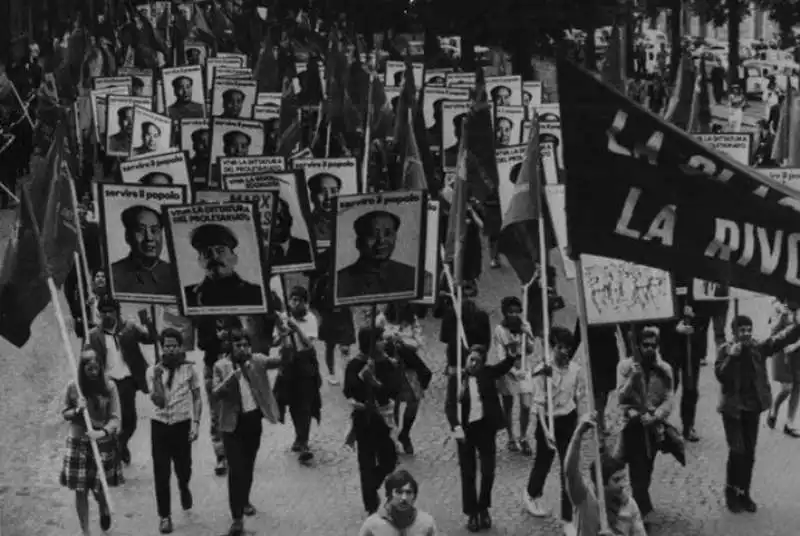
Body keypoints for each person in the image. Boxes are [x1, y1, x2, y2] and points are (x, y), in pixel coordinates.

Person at [716, 315, 800, 513]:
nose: (745, 333)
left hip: (752, 407)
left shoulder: (758, 347)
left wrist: (797, 326)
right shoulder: (725, 350)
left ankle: (744, 493)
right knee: (737, 451)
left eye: (748, 329)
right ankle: (731, 492)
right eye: (741, 330)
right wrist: (731, 357)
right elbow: (721, 375)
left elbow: (779, 340)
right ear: (734, 332)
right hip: (733, 409)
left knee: (750, 453)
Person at [212, 327, 283, 535]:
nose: (243, 349)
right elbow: (215, 393)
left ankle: (244, 500)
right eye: (238, 345)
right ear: (231, 347)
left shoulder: (257, 361)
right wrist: (231, 378)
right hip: (232, 425)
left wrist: (287, 335)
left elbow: (282, 360)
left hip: (252, 421)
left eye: (245, 345)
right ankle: (236, 518)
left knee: (249, 465)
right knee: (236, 470)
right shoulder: (221, 366)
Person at [445, 344, 517, 532]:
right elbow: (450, 406)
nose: (473, 363)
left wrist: (512, 355)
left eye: (478, 360)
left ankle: (484, 506)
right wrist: (456, 428)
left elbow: (504, 366)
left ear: (483, 363)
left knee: (488, 471)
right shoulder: (457, 379)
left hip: (485, 429)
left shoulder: (487, 373)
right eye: (471, 359)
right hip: (465, 431)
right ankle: (471, 513)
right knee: (468, 473)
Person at [524, 327, 587, 536]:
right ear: (553, 347)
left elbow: (578, 398)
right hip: (548, 422)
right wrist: (545, 429)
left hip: (567, 420)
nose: (565, 352)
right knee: (543, 461)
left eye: (568, 348)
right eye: (560, 347)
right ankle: (532, 493)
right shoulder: (542, 370)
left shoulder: (576, 370)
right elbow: (539, 403)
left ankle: (568, 518)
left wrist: (580, 423)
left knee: (567, 469)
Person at [86, 297, 156, 467]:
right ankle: (112, 452)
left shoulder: (130, 328)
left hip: (127, 381)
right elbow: (87, 361)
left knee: (130, 421)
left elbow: (151, 339)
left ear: (118, 312)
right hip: (107, 383)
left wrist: (147, 322)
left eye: (111, 311)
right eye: (104, 312)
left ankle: (121, 443)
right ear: (99, 314)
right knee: (110, 420)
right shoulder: (94, 336)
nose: (108, 314)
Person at [60, 349, 120, 536]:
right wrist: (78, 409)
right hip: (78, 442)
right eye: (89, 369)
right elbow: (65, 413)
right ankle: (85, 531)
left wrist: (101, 432)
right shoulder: (73, 387)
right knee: (80, 489)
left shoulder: (109, 386)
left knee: (99, 488)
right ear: (82, 369)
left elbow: (115, 418)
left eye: (96, 368)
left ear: (101, 367)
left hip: (100, 442)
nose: (93, 372)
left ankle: (103, 507)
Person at [146, 328, 201, 534]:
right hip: (159, 425)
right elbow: (159, 402)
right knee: (161, 472)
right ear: (162, 347)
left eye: (174, 346)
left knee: (183, 467)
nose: (170, 350)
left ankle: (184, 486)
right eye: (166, 346)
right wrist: (158, 379)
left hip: (181, 424)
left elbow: (197, 396)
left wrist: (196, 424)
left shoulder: (189, 370)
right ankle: (165, 516)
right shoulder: (152, 371)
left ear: (180, 347)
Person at [617, 326, 674, 521]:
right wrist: (632, 379)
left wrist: (657, 415)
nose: (649, 349)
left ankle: (641, 499)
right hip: (633, 426)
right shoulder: (626, 366)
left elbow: (668, 397)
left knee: (647, 468)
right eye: (645, 345)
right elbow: (620, 397)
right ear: (638, 346)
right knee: (636, 469)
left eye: (653, 345)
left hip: (654, 427)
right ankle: (641, 511)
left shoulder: (664, 368)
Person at [344, 326, 402, 515]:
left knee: (389, 459)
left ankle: (372, 484)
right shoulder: (354, 364)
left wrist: (375, 382)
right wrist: (361, 384)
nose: (383, 342)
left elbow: (393, 389)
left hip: (382, 418)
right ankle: (370, 503)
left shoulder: (387, 363)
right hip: (364, 419)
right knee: (365, 461)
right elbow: (349, 391)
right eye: (379, 339)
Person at [564, 413, 647, 536]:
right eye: (617, 480)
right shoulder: (584, 498)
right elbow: (570, 472)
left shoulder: (630, 505)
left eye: (624, 478)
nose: (624, 485)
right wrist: (578, 433)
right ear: (601, 485)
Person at [273, 286, 322, 462]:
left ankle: (304, 441)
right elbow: (275, 341)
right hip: (289, 363)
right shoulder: (284, 318)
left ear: (305, 302)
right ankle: (298, 436)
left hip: (305, 363)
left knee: (306, 404)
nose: (295, 303)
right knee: (292, 403)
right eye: (292, 300)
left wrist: (296, 328)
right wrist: (282, 331)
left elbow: (309, 344)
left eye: (298, 300)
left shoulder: (310, 319)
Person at [380, 303, 432, 455]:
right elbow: (376, 340)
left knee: (414, 401)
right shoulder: (382, 319)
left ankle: (405, 433)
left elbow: (419, 342)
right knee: (392, 403)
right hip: (389, 366)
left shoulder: (412, 320)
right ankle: (393, 437)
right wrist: (389, 338)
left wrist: (403, 342)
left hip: (409, 366)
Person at [337, 210, 423, 299]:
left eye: (388, 234)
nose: (381, 241)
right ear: (358, 242)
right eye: (372, 235)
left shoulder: (412, 276)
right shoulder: (340, 281)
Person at [197, 316, 242, 476]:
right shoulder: (204, 318)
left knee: (238, 410)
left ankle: (236, 451)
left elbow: (242, 336)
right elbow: (201, 344)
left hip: (233, 368)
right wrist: (217, 337)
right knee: (216, 414)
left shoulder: (232, 313)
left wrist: (230, 336)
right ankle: (221, 456)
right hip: (213, 369)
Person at [492, 296, 536, 454]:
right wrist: (513, 372)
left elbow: (531, 350)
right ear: (505, 313)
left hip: (524, 369)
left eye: (517, 312)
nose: (514, 315)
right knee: (508, 406)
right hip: (508, 371)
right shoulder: (500, 330)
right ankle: (511, 438)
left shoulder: (525, 326)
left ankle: (523, 436)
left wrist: (528, 334)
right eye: (511, 312)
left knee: (526, 405)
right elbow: (501, 355)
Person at [184, 223, 265, 308]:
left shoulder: (256, 294)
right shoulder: (187, 295)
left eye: (220, 251)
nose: (214, 256)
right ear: (200, 261)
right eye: (206, 252)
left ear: (234, 258)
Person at [110, 205, 177, 297]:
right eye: (141, 230)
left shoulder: (175, 275)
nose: (149, 238)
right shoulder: (113, 274)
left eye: (154, 230)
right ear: (128, 236)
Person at [357, 469, 438, 536]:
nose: (404, 498)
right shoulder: (372, 525)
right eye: (399, 492)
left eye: (409, 492)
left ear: (414, 496)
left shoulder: (426, 524)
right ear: (388, 495)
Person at [767, 302, 800, 437]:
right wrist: (782, 315)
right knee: (787, 388)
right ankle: (774, 409)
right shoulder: (778, 306)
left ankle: (789, 423)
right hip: (782, 349)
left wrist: (796, 345)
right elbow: (773, 330)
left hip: (797, 350)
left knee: (798, 386)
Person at [270, 196, 313, 266]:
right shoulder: (258, 254)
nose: (277, 222)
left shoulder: (305, 247)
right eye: (271, 217)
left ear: (290, 218)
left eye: (281, 215)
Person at [307, 172, 341, 243]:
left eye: (333, 191)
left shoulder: (347, 225)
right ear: (312, 196)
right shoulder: (305, 226)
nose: (328, 197)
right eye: (322, 191)